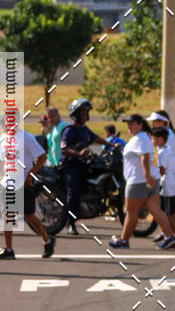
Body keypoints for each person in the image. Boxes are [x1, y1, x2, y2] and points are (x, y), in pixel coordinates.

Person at [109, 115, 175, 249]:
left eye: (132, 123)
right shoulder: (143, 138)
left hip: (138, 180)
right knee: (156, 210)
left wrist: (146, 176)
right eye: (127, 124)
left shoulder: (140, 138)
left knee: (131, 212)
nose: (129, 126)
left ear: (140, 124)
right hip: (148, 179)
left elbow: (144, 157)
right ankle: (169, 237)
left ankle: (124, 240)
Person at [0, 114, 56, 259]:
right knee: (8, 214)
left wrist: (31, 174)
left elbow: (42, 156)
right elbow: (4, 160)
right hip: (9, 182)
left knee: (29, 215)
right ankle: (9, 249)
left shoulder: (26, 138)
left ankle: (48, 239)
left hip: (25, 182)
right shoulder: (3, 138)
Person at [59, 99, 114, 234]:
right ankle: (70, 223)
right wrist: (78, 153)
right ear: (76, 114)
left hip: (82, 164)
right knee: (73, 191)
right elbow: (64, 149)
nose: (85, 116)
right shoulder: (69, 130)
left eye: (86, 113)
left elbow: (96, 138)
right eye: (83, 113)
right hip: (70, 166)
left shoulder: (84, 129)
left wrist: (112, 145)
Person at [150, 127, 175, 247]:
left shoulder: (162, 153)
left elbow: (162, 171)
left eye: (153, 138)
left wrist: (152, 177)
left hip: (168, 188)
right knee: (172, 213)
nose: (151, 141)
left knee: (167, 214)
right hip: (174, 185)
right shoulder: (167, 150)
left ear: (160, 139)